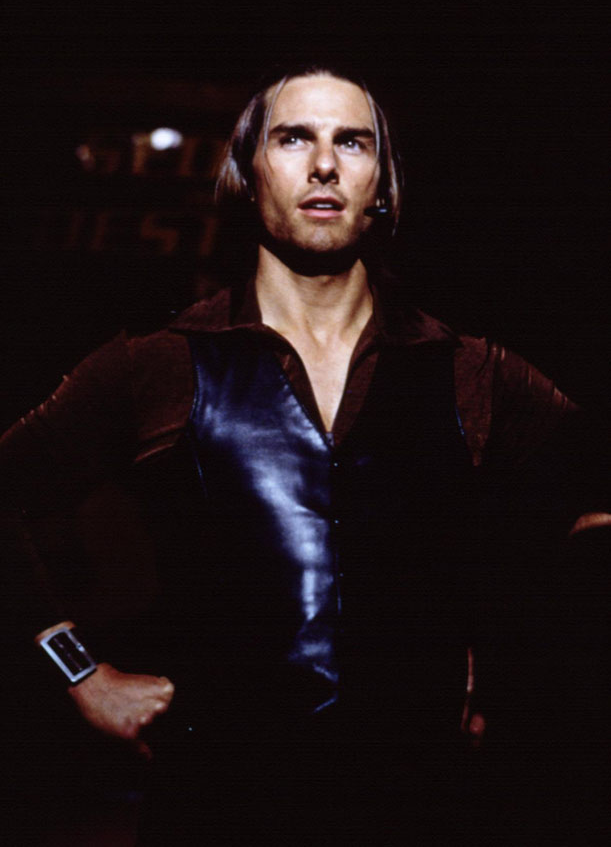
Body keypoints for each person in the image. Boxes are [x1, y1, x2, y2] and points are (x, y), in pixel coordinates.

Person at [1, 62, 608, 844]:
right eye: (292, 139)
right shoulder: (157, 364)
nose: (323, 164)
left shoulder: (469, 371)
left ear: (382, 183)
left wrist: (509, 664)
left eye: (352, 142)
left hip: (423, 809)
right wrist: (79, 670)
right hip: (217, 808)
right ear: (246, 173)